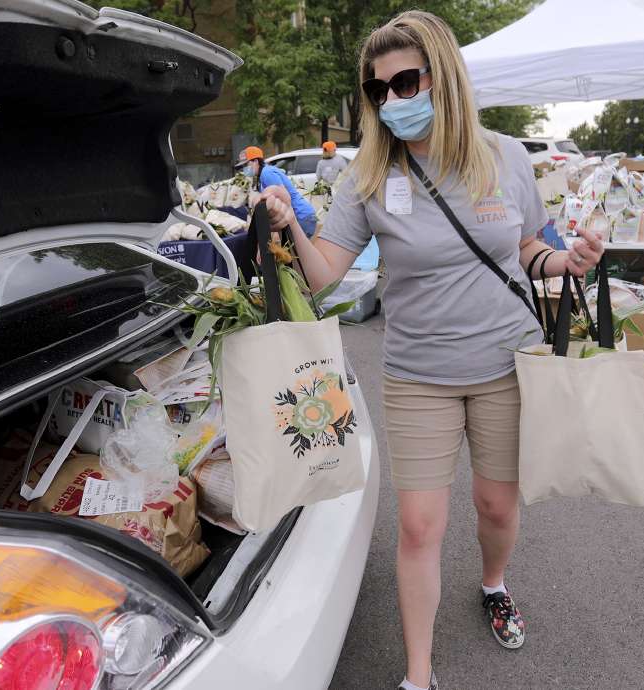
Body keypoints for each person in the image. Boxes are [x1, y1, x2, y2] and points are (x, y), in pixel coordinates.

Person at [257, 10, 604, 690]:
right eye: (379, 89)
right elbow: (325, 273)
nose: (392, 101)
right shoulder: (367, 175)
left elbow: (529, 249)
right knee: (419, 526)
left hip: (508, 364)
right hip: (419, 375)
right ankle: (419, 675)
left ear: (442, 78)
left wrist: (570, 262)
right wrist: (287, 226)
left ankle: (494, 583)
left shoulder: (505, 157)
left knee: (498, 507)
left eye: (406, 82)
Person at [238, 145, 319, 237]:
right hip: (301, 217)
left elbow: (284, 197)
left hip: (301, 217)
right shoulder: (264, 174)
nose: (244, 169)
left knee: (296, 250)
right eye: (242, 166)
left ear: (256, 161)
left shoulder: (266, 173)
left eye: (246, 165)